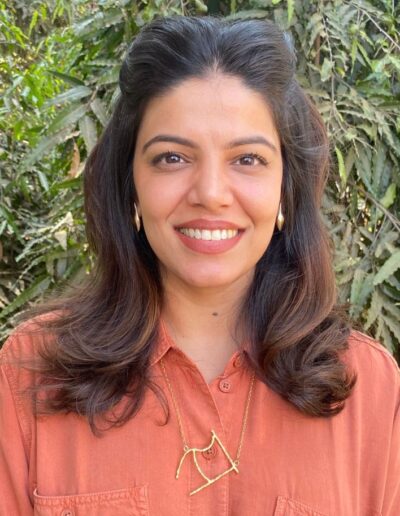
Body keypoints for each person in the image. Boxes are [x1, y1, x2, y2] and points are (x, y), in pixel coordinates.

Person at [1, 15, 399, 516]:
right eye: (172, 158)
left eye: (247, 159)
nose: (210, 193)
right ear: (131, 185)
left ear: (285, 188)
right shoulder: (30, 375)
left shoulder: (368, 389)